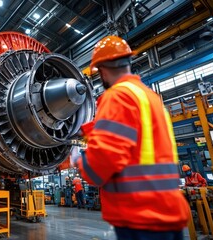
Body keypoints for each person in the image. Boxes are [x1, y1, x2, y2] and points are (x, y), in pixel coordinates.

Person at [75, 36, 190, 240]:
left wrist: (79, 161)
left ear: (101, 70)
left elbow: (101, 164)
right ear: (128, 62)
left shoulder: (117, 97)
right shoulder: (151, 98)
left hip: (140, 215)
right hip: (170, 210)